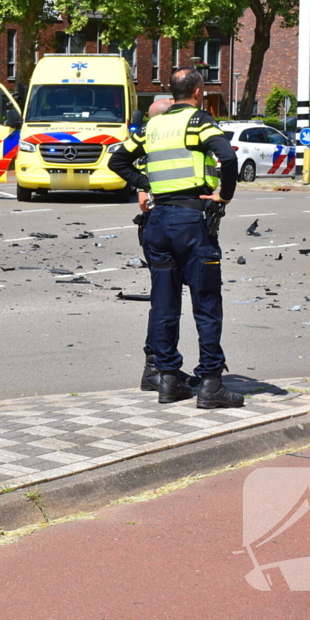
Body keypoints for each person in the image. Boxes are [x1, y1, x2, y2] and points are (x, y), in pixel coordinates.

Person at [109, 68, 244, 409]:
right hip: (190, 220)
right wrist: (224, 196)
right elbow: (227, 157)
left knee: (164, 302)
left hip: (157, 222)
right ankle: (211, 382)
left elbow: (117, 159)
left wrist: (146, 184)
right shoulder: (198, 122)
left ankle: (168, 378)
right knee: (207, 301)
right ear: (198, 91)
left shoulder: (154, 126)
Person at [126, 98, 201, 392]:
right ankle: (157, 366)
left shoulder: (149, 148)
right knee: (166, 303)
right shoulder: (156, 145)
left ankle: (162, 365)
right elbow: (145, 200)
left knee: (165, 301)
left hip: (158, 229)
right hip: (170, 228)